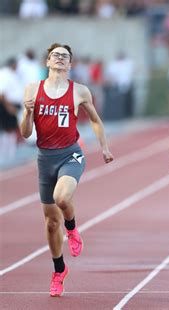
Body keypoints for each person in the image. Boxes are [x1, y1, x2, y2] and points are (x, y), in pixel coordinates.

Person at [19, 43, 114, 297]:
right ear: (47, 61)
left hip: (71, 154)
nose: (60, 59)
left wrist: (104, 147)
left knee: (62, 197)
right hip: (45, 157)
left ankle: (71, 228)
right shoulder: (32, 90)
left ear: (70, 64)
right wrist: (28, 113)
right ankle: (59, 270)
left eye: (65, 56)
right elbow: (26, 132)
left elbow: (95, 120)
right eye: (55, 55)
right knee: (51, 223)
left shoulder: (80, 91)